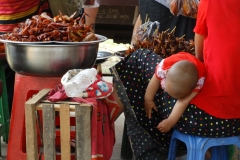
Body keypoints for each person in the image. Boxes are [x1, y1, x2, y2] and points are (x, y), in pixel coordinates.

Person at [111, 0, 240, 159]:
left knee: (138, 60)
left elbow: (199, 56)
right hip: (236, 122)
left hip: (203, 119)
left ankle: (142, 149)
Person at [144, 52, 205, 133]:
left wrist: (170, 121)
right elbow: (155, 79)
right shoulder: (163, 67)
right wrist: (148, 100)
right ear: (167, 73)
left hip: (193, 69)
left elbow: (183, 101)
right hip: (175, 62)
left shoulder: (199, 82)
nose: (165, 91)